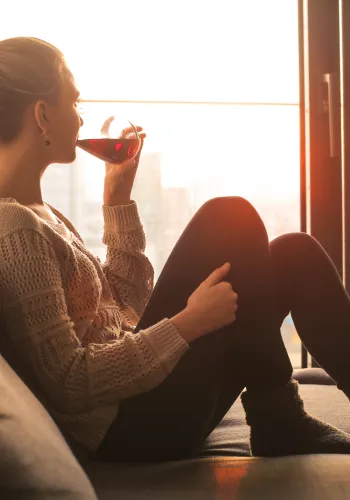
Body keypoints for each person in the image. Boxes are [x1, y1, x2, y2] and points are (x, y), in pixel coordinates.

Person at [0, 36, 349, 463]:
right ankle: (278, 416)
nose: (80, 116)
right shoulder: (15, 229)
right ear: (42, 116)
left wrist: (117, 200)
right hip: (128, 427)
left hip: (147, 400)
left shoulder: (41, 213)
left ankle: (278, 416)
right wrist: (187, 324)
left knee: (294, 254)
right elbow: (68, 382)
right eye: (74, 103)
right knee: (228, 216)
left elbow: (128, 310)